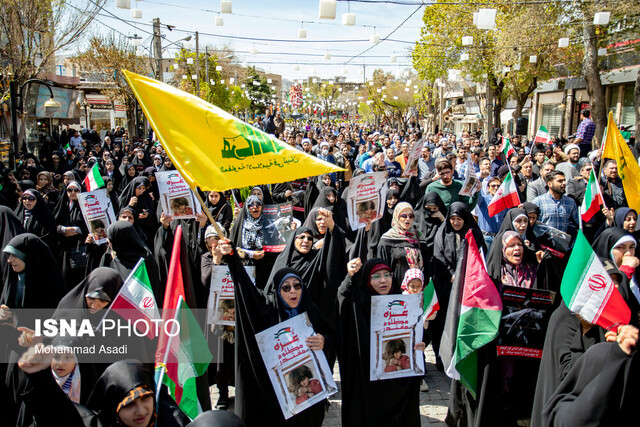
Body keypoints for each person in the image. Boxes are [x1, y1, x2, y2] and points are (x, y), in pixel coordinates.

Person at [217, 240, 332, 427]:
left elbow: (331, 334)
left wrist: (323, 340)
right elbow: (246, 292)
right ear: (278, 291)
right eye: (286, 288)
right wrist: (232, 259)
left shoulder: (310, 310)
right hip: (277, 399)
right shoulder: (269, 309)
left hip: (308, 401)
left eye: (297, 285)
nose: (293, 291)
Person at [337, 258, 424, 426]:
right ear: (367, 280)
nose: (383, 280)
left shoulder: (404, 304)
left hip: (398, 385)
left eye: (387, 275)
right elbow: (343, 301)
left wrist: (420, 344)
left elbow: (417, 335)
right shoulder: (360, 307)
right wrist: (349, 276)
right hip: (369, 388)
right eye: (376, 276)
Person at [377, 202, 423, 288]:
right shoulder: (387, 239)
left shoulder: (418, 237)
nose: (407, 219)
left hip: (417, 291)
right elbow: (383, 268)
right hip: (396, 290)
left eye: (411, 216)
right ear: (397, 217)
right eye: (404, 216)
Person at [532, 171, 579, 237]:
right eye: (560, 181)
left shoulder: (570, 202)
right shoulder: (539, 201)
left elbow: (576, 224)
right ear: (549, 184)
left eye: (564, 180)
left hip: (564, 245)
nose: (564, 183)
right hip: (544, 244)